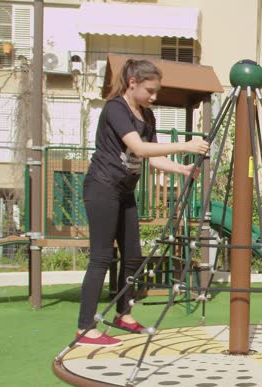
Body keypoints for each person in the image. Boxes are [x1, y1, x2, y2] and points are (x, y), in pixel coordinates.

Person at [75, 59, 209, 346]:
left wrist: (182, 169)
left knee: (133, 255)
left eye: (156, 91)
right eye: (150, 90)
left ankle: (124, 313)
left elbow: (154, 157)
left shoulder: (147, 117)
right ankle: (85, 328)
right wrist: (185, 145)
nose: (154, 96)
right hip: (102, 187)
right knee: (101, 257)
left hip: (124, 191)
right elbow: (138, 147)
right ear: (132, 83)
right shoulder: (115, 109)